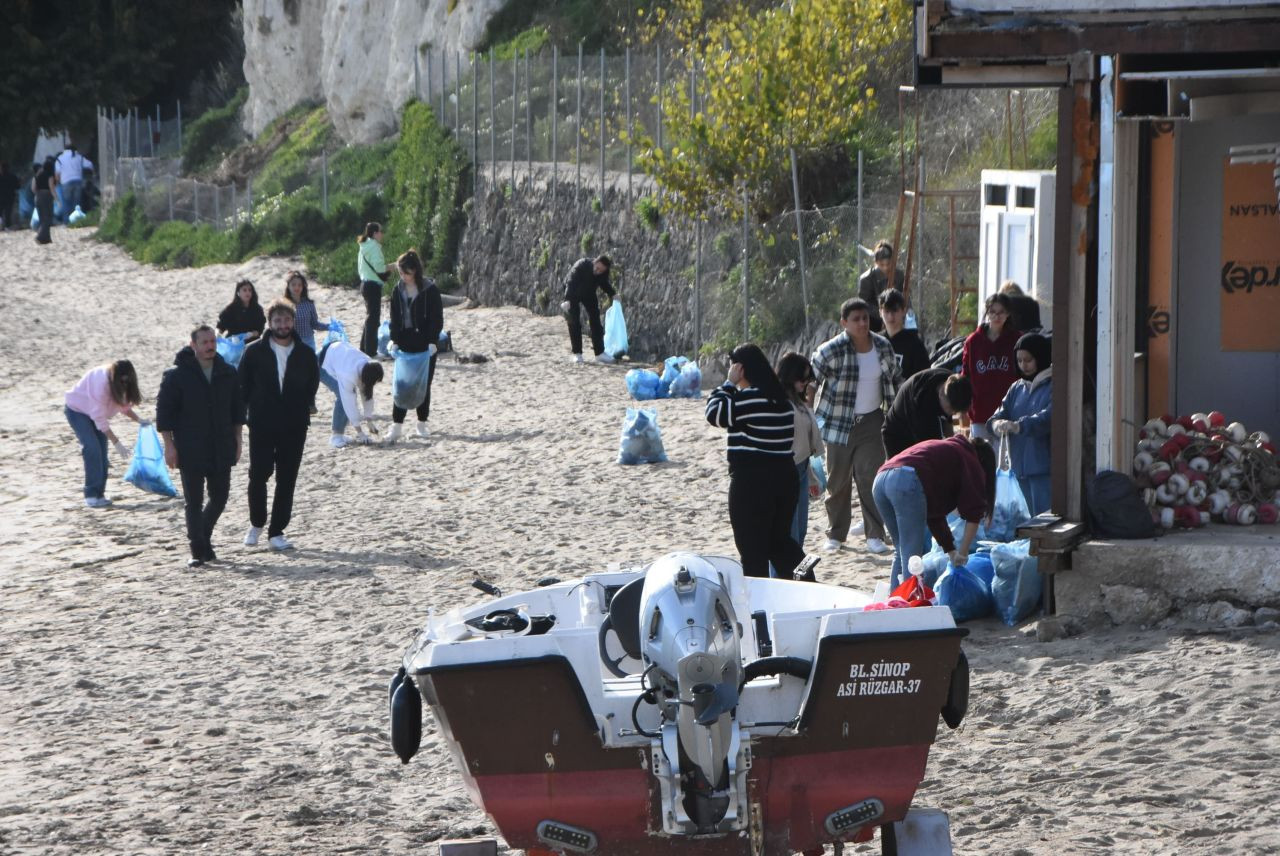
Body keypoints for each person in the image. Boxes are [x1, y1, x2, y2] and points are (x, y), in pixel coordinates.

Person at [705, 344, 810, 580]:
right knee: (779, 542)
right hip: (784, 478)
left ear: (740, 368)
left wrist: (729, 384)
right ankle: (806, 579)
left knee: (753, 551)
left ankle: (759, 604)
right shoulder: (781, 399)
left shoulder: (751, 398)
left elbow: (714, 413)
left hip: (753, 482)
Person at [810, 298, 901, 555]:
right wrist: (807, 404)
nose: (862, 323)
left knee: (870, 478)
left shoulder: (882, 346)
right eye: (856, 319)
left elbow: (895, 378)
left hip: (872, 421)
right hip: (838, 422)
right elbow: (811, 377)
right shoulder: (832, 349)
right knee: (837, 481)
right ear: (844, 323)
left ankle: (875, 535)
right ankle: (836, 534)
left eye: (865, 318)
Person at [156, 325, 244, 567]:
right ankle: (197, 550)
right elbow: (164, 414)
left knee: (220, 498)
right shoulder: (176, 376)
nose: (210, 346)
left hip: (221, 444)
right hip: (189, 447)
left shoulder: (227, 372)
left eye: (212, 341)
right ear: (193, 345)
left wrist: (238, 440)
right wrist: (169, 445)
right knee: (193, 502)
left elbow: (238, 410)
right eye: (204, 342)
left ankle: (203, 537)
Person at [238, 299, 320, 551]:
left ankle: (277, 532)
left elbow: (312, 384)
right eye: (277, 321)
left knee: (287, 479)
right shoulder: (253, 351)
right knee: (258, 474)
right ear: (269, 323)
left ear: (293, 321)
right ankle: (256, 524)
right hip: (261, 423)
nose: (282, 325)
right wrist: (246, 414)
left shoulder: (305, 352)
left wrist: (301, 406)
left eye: (286, 320)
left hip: (294, 425)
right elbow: (242, 386)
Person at [872, 435, 996, 589]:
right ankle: (909, 605)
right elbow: (974, 513)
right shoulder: (970, 458)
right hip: (904, 480)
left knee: (902, 549)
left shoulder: (946, 452)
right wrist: (963, 554)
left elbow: (934, 514)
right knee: (913, 554)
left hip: (880, 480)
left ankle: (895, 599)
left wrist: (951, 552)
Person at [988, 333, 1053, 515]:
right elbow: (998, 414)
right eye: (1019, 360)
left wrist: (1019, 426)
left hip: (1043, 467)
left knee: (1043, 520)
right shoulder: (1016, 388)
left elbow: (1048, 417)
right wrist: (996, 424)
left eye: (1028, 360)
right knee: (1024, 523)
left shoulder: (1053, 385)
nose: (1023, 365)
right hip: (1018, 468)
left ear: (1040, 357)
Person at [64, 360, 144, 507]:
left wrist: (140, 420)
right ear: (116, 378)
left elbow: (123, 406)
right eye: (122, 381)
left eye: (127, 381)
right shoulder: (102, 384)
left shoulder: (123, 383)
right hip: (77, 410)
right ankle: (91, 494)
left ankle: (99, 494)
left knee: (102, 452)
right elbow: (99, 418)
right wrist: (117, 442)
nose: (124, 384)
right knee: (91, 448)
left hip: (94, 413)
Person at [387, 249, 443, 443]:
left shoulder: (430, 290)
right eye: (400, 273)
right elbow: (394, 317)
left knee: (423, 383)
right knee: (402, 384)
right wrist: (394, 340)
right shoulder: (397, 289)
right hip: (404, 341)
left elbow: (437, 318)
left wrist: (433, 341)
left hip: (425, 342)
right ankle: (396, 426)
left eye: (406, 273)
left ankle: (421, 423)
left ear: (415, 271)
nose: (403, 277)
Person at [776, 352, 824, 553]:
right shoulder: (779, 403)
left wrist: (811, 476)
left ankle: (792, 574)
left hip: (803, 469)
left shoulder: (799, 402)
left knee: (801, 531)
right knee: (788, 534)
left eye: (809, 378)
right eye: (802, 378)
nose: (806, 383)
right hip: (787, 472)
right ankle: (783, 579)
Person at [961, 292, 1021, 441]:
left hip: (1008, 415)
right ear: (987, 313)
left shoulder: (1017, 340)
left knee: (1006, 462)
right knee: (981, 460)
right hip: (980, 413)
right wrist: (964, 408)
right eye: (992, 312)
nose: (997, 316)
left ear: (1008, 314)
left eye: (1001, 312)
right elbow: (965, 376)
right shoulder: (973, 342)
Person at [882, 368, 972, 458]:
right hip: (897, 437)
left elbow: (949, 427)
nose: (953, 413)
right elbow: (929, 451)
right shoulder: (922, 403)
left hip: (919, 425)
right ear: (941, 394)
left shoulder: (953, 383)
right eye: (951, 410)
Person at [318, 339, 385, 447]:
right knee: (342, 397)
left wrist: (369, 420)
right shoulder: (348, 374)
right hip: (322, 363)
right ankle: (336, 436)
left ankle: (340, 434)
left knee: (349, 395)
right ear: (367, 379)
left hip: (337, 353)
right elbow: (349, 403)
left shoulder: (368, 366)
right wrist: (360, 433)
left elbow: (367, 394)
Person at [562, 254, 616, 364]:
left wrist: (613, 294)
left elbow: (604, 284)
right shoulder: (581, 265)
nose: (597, 271)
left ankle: (600, 353)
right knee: (574, 322)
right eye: (597, 267)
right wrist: (567, 299)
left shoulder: (603, 273)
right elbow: (571, 281)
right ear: (594, 262)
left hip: (589, 294)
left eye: (601, 270)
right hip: (573, 293)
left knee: (595, 320)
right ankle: (577, 354)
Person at [879, 288, 930, 380]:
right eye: (887, 311)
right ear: (880, 312)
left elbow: (923, 379)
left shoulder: (915, 344)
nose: (891, 316)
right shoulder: (875, 341)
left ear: (903, 311)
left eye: (895, 310)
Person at [357, 222, 390, 357]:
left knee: (370, 317)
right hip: (372, 286)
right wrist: (392, 266)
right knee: (373, 319)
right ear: (375, 233)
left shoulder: (364, 246)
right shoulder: (374, 247)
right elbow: (380, 268)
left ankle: (364, 348)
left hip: (364, 284)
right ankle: (370, 351)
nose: (382, 234)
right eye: (380, 231)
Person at [857, 240, 905, 333]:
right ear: (876, 263)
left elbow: (903, 296)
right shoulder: (866, 279)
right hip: (874, 320)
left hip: (895, 316)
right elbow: (864, 304)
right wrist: (883, 314)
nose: (886, 268)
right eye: (882, 265)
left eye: (888, 264)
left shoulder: (899, 275)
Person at [283, 271, 326, 351]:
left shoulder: (309, 304)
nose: (297, 287)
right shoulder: (284, 305)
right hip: (290, 342)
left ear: (303, 287)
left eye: (299, 285)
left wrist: (329, 327)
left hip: (308, 341)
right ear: (288, 286)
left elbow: (314, 324)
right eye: (293, 284)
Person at [55, 144, 93, 221]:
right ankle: (77, 221)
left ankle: (67, 221)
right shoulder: (79, 157)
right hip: (78, 181)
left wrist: (59, 182)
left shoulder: (60, 158)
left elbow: (57, 174)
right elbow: (90, 165)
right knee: (77, 203)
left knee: (66, 203)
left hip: (65, 182)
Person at [32, 157, 56, 244]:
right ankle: (40, 236)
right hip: (47, 196)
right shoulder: (49, 175)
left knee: (42, 218)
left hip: (38, 196)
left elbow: (33, 188)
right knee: (48, 218)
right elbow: (51, 188)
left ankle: (46, 238)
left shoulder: (37, 175)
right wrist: (57, 199)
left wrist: (37, 194)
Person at [0, 162, 18, 229]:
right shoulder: (13, 176)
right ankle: (7, 226)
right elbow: (17, 186)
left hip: (1, 197)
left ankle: (1, 225)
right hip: (10, 197)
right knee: (8, 212)